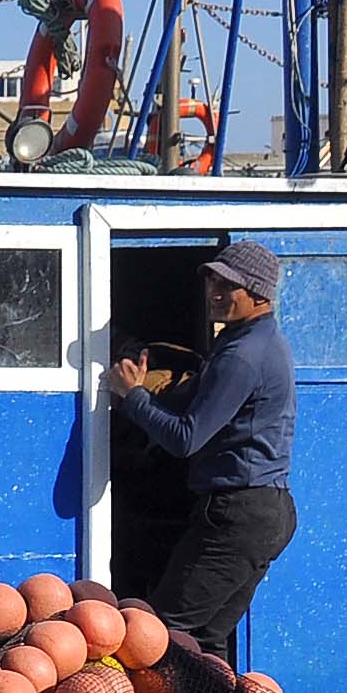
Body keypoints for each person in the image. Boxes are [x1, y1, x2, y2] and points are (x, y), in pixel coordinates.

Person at [104, 238, 296, 647]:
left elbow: (185, 439)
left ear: (259, 294)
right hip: (267, 511)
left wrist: (132, 396)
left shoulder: (241, 355)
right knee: (209, 638)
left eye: (228, 287)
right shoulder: (253, 342)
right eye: (212, 282)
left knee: (160, 633)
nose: (215, 293)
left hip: (237, 516)